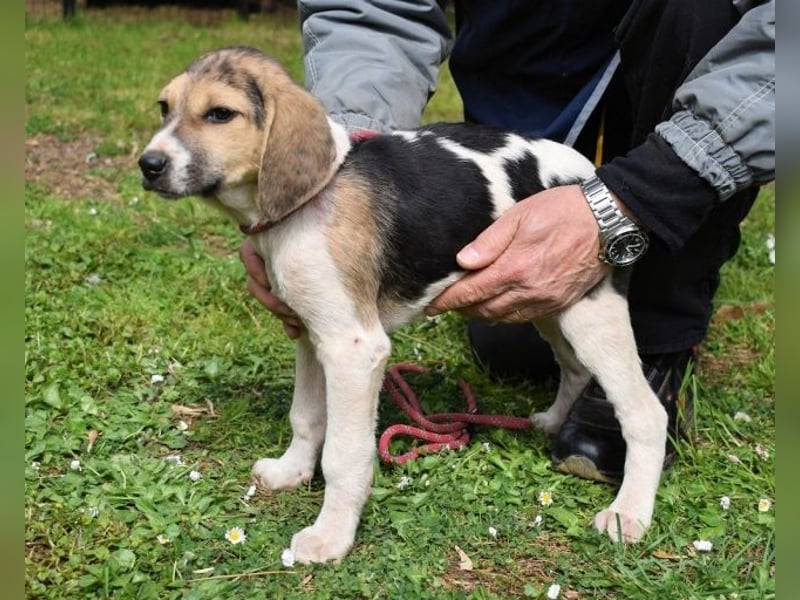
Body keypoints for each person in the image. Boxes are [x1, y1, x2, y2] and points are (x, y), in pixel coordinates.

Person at [240, 0, 775, 483]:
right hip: (526, 114)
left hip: (699, 81)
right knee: (513, 337)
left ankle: (658, 339)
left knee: (593, 321)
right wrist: (331, 170)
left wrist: (637, 197)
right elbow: (374, 11)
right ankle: (571, 390)